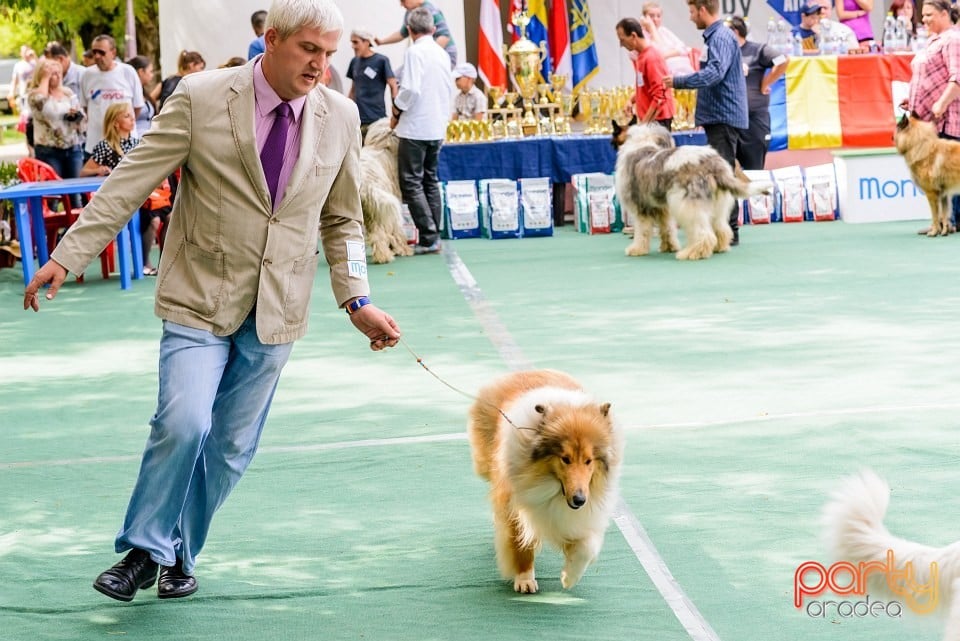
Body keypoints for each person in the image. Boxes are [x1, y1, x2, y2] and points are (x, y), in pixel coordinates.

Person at [23, 0, 401, 603]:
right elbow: (130, 178)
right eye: (309, 49)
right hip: (199, 294)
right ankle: (144, 550)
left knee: (228, 447)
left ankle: (177, 552)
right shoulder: (200, 96)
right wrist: (68, 253)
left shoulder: (343, 115)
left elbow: (344, 220)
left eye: (328, 54)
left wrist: (357, 298)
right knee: (184, 421)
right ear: (271, 41)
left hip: (279, 307)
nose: (321, 66)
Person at [666, 0, 747, 245]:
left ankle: (728, 231)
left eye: (691, 11)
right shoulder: (717, 36)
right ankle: (724, 229)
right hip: (720, 115)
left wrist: (678, 82)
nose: (691, 17)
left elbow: (715, 73)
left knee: (723, 173)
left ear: (702, 10)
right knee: (723, 171)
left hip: (723, 116)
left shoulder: (720, 37)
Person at [390, 5, 454, 254]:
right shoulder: (442, 53)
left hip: (415, 128)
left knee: (411, 183)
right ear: (433, 28)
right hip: (437, 127)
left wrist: (395, 111)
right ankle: (434, 233)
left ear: (409, 30)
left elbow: (410, 90)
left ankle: (428, 238)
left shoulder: (414, 52)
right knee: (430, 181)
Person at [905, 0, 960, 233]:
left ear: (945, 13)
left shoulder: (953, 40)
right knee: (938, 179)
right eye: (923, 15)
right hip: (930, 120)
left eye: (929, 15)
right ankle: (942, 221)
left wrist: (940, 103)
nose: (924, 19)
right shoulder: (933, 41)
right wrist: (912, 100)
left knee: (951, 174)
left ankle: (953, 221)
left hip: (948, 117)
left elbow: (957, 79)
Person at [726, 15, 786, 170]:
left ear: (735, 32)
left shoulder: (757, 50)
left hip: (753, 119)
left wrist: (766, 82)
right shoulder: (722, 53)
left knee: (754, 169)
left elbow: (782, 60)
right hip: (729, 119)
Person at [79, 35, 144, 160]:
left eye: (102, 52)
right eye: (94, 52)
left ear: (113, 53)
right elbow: (86, 107)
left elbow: (137, 106)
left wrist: (123, 124)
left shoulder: (127, 72)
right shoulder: (87, 75)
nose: (97, 56)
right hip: (95, 143)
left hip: (125, 145)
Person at [27, 59, 85, 183]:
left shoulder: (67, 92)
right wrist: (45, 79)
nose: (58, 75)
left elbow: (81, 115)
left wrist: (75, 115)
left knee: (75, 191)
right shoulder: (34, 94)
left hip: (72, 146)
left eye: (59, 72)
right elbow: (40, 101)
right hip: (48, 149)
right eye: (53, 73)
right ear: (42, 75)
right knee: (53, 191)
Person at [615, 17, 675, 130]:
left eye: (622, 40)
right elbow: (645, 86)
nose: (621, 45)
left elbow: (659, 97)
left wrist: (644, 126)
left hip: (658, 122)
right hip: (652, 121)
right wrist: (631, 100)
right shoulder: (642, 56)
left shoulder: (651, 57)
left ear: (633, 36)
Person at [346, 27, 398, 141]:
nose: (352, 46)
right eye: (352, 42)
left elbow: (393, 85)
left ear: (367, 42)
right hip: (357, 120)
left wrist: (396, 112)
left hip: (376, 120)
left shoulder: (381, 61)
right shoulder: (354, 62)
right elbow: (353, 89)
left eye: (356, 42)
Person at [377, 0, 457, 69]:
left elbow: (445, 37)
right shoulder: (409, 13)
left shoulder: (431, 10)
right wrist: (381, 42)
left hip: (443, 55)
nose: (401, 5)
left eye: (403, 0)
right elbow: (402, 34)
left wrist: (426, 56)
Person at [640, 2, 695, 75]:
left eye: (658, 16)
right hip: (665, 75)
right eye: (651, 16)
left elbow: (683, 48)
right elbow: (657, 53)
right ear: (644, 18)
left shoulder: (664, 31)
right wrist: (652, 29)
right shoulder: (642, 36)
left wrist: (665, 55)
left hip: (685, 70)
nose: (655, 19)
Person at [126, 56, 159, 137]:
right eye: (150, 71)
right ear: (141, 72)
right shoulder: (128, 94)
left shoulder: (144, 94)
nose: (152, 75)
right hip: (135, 140)